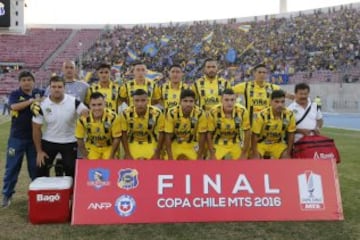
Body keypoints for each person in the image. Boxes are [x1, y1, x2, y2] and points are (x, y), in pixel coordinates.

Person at [2, 71, 44, 208]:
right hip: (17, 138)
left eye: (29, 79)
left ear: (33, 81)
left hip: (34, 139)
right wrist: (31, 101)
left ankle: (36, 195)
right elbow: (14, 107)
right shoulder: (15, 94)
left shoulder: (39, 92)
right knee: (12, 167)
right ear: (20, 82)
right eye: (24, 80)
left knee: (35, 168)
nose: (26, 82)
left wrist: (40, 100)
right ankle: (7, 195)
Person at [32, 76, 88, 177]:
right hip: (49, 141)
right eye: (54, 87)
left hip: (69, 141)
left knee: (71, 170)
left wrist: (85, 114)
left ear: (64, 88)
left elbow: (87, 116)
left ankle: (70, 192)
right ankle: (45, 192)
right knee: (40, 167)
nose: (56, 89)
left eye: (59, 87)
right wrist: (39, 151)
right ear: (49, 88)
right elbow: (36, 128)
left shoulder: (74, 101)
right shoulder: (42, 104)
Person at [45, 60, 89, 176]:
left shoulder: (84, 86)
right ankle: (61, 188)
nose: (69, 70)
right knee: (59, 165)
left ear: (75, 70)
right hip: (57, 132)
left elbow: (89, 107)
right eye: (67, 67)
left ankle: (75, 189)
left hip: (77, 132)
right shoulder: (52, 86)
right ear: (62, 69)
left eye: (71, 67)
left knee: (74, 164)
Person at [120, 89, 164, 160]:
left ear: (148, 101)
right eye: (137, 101)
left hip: (150, 141)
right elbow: (123, 134)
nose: (140, 104)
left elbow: (162, 133)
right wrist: (127, 153)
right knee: (130, 163)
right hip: (133, 142)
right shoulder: (125, 113)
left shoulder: (157, 113)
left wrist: (157, 152)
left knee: (153, 163)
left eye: (143, 100)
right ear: (133, 101)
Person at [75, 92, 121, 160]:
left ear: (105, 104)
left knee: (111, 166)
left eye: (99, 104)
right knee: (91, 167)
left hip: (109, 147)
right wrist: (85, 155)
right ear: (89, 105)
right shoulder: (82, 119)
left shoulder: (113, 117)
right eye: (93, 105)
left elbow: (117, 138)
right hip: (92, 147)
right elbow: (79, 138)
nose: (97, 108)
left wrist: (112, 155)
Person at [207, 89, 251, 160]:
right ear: (221, 100)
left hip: (236, 142)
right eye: (226, 100)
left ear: (235, 100)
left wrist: (244, 153)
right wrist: (212, 153)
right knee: (213, 165)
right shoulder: (213, 112)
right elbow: (209, 133)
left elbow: (247, 132)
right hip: (219, 143)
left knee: (242, 164)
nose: (229, 103)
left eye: (232, 100)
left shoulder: (242, 111)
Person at [251, 90, 296, 159]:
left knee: (287, 158)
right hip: (261, 144)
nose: (280, 105)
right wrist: (254, 153)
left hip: (277, 144)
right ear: (270, 102)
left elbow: (291, 134)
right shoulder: (262, 115)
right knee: (255, 159)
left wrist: (288, 152)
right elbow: (254, 135)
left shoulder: (289, 115)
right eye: (276, 102)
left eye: (282, 102)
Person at [164, 89, 207, 160]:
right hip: (176, 144)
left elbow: (202, 136)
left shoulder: (200, 113)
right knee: (168, 165)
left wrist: (199, 156)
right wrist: (170, 157)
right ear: (180, 101)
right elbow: (167, 136)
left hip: (192, 144)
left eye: (191, 101)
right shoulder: (171, 113)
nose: (188, 104)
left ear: (195, 102)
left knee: (198, 166)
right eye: (185, 101)